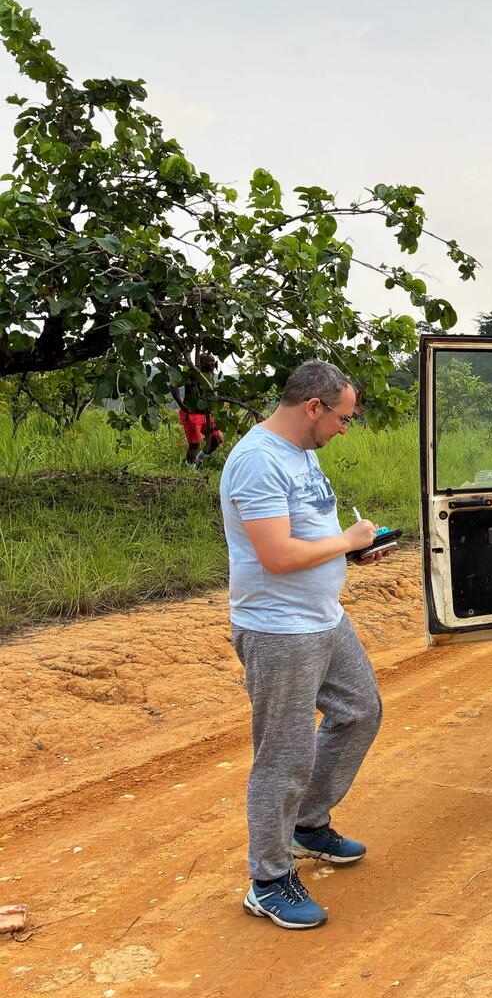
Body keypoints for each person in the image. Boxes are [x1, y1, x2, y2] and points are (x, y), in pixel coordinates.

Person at [220, 360, 391, 929]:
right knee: (284, 755)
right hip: (278, 629)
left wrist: (348, 551)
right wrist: (346, 539)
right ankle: (267, 880)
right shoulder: (256, 462)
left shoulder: (303, 454)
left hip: (323, 617)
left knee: (360, 710)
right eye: (344, 417)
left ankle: (308, 824)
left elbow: (308, 538)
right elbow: (276, 555)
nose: (347, 428)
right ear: (314, 407)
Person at [170, 353, 224, 467]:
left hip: (206, 413)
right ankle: (190, 468)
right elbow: (174, 384)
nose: (212, 363)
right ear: (200, 363)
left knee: (217, 439)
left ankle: (199, 460)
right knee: (194, 444)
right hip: (191, 413)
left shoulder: (210, 374)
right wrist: (180, 403)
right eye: (208, 361)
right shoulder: (191, 374)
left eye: (213, 361)